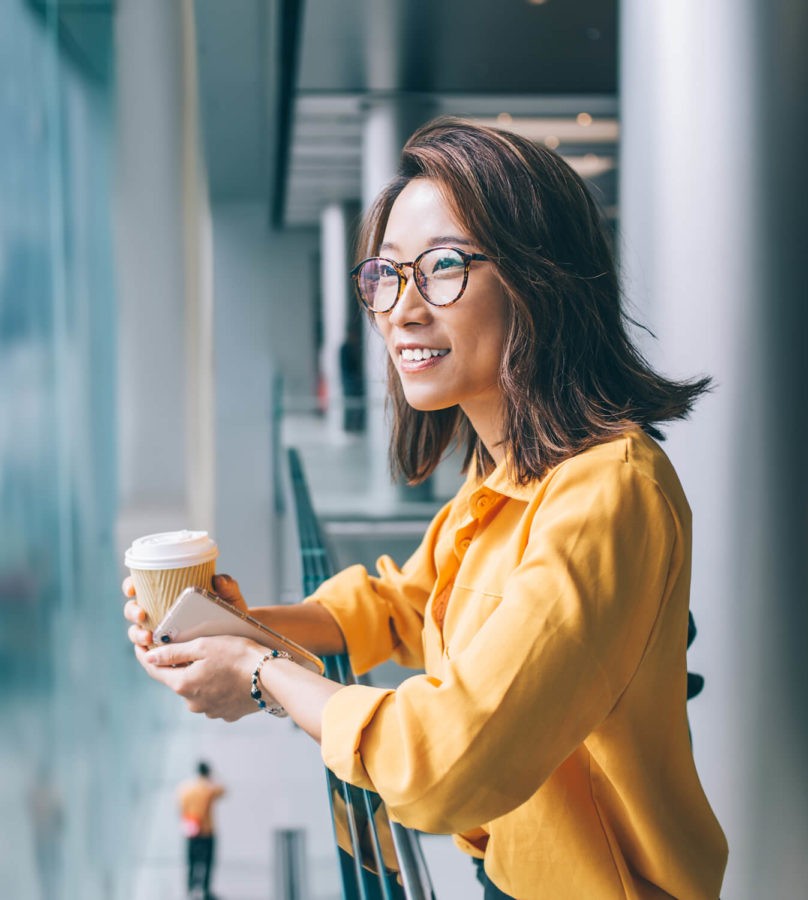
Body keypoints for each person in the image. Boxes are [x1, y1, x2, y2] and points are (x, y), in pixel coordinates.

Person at [124, 118, 728, 899]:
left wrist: (260, 672)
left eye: (443, 267)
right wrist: (245, 624)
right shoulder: (508, 470)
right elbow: (408, 604)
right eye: (387, 274)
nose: (401, 310)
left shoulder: (608, 491)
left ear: (540, 278)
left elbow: (444, 765)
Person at [176, 760, 225, 900]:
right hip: (207, 831)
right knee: (208, 863)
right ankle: (205, 890)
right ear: (207, 772)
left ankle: (190, 889)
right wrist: (215, 776)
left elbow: (180, 806)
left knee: (191, 862)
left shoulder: (185, 788)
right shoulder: (208, 788)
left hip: (191, 830)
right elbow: (223, 790)